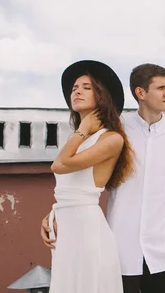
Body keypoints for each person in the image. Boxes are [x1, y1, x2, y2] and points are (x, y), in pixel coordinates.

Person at [42, 63, 165, 293]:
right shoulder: (116, 130)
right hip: (120, 247)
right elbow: (84, 178)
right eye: (161, 88)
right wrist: (55, 214)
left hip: (164, 250)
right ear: (141, 93)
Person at [45, 59, 135, 293]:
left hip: (87, 233)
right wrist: (51, 216)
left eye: (86, 87)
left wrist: (83, 128)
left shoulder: (112, 139)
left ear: (102, 96)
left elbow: (59, 165)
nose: (77, 91)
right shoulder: (77, 139)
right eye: (74, 88)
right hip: (66, 232)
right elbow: (69, 187)